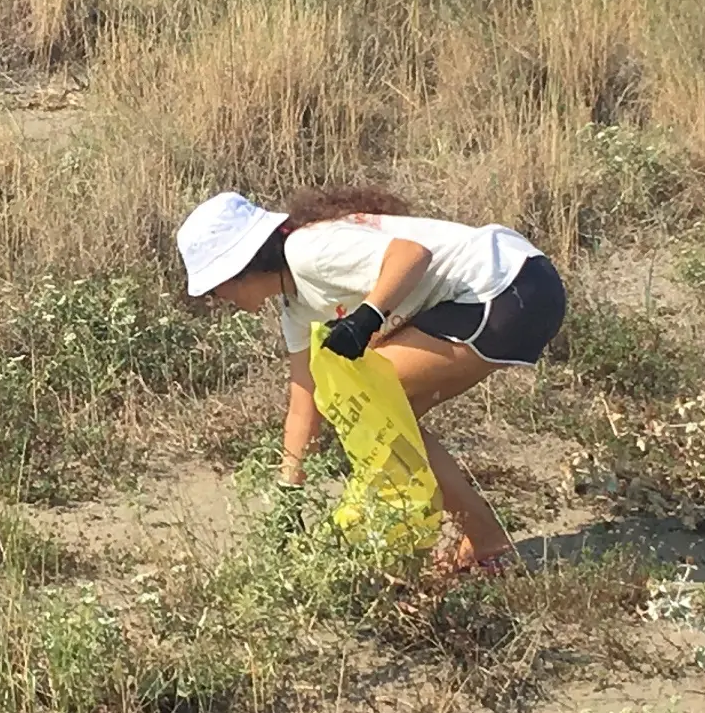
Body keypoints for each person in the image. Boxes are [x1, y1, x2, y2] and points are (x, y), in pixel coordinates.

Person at [178, 186, 567, 577]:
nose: (217, 298)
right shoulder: (294, 305)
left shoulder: (307, 251)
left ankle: (481, 543)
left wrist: (367, 318)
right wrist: (289, 491)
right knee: (392, 419)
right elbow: (304, 397)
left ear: (240, 267)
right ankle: (484, 545)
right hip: (513, 290)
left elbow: (411, 255)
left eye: (215, 287)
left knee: (365, 400)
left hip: (510, 289)